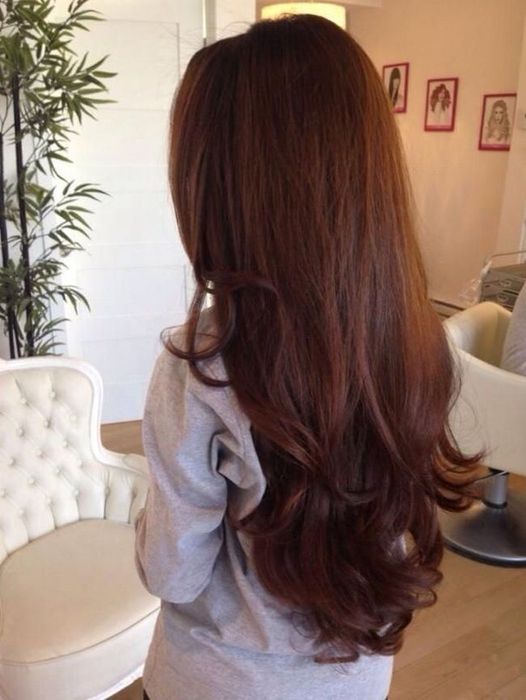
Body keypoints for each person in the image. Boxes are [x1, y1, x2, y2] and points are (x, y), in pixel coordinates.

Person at [135, 15, 478, 700]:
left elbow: (173, 572)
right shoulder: (420, 341)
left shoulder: (201, 366)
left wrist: (144, 520)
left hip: (217, 682)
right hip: (358, 676)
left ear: (216, 190)